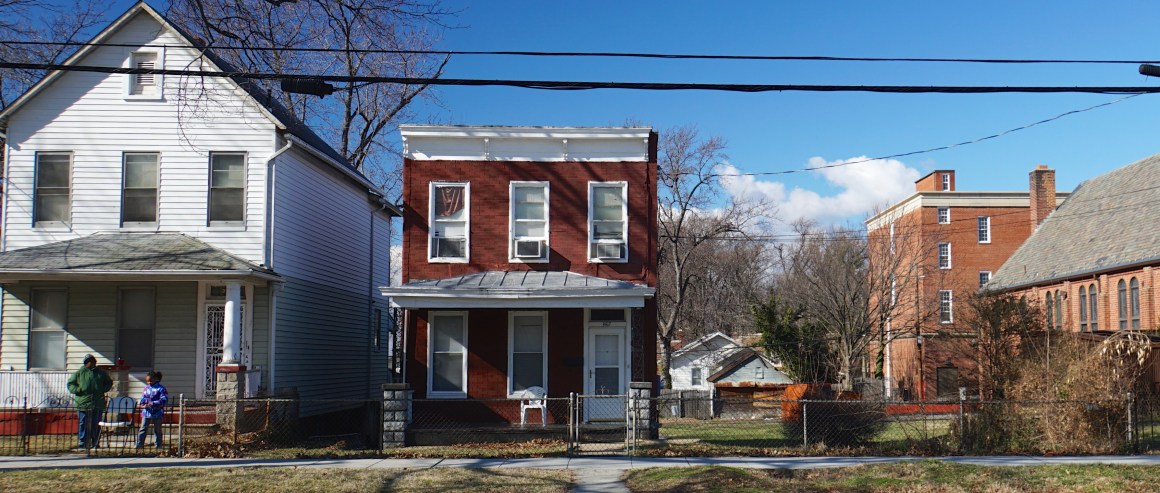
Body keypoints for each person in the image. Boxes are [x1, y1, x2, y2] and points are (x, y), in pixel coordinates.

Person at [66, 354, 113, 449]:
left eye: (94, 362)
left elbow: (109, 382)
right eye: (91, 362)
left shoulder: (101, 373)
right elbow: (70, 384)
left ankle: (95, 442)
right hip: (83, 402)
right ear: (86, 363)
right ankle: (83, 442)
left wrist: (102, 389)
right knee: (83, 423)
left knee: (96, 423)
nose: (93, 364)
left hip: (97, 402)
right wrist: (78, 390)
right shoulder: (79, 373)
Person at [136, 370, 168, 449]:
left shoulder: (161, 389)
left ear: (155, 379)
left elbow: (164, 399)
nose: (149, 383)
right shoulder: (146, 388)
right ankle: (139, 444)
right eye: (147, 381)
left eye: (150, 381)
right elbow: (143, 398)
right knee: (143, 428)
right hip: (146, 412)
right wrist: (143, 404)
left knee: (157, 430)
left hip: (157, 412)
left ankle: (158, 445)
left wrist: (153, 403)